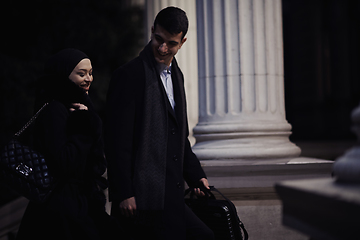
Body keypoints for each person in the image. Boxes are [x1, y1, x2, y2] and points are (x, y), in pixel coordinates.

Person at [105, 7, 214, 240]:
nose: (163, 48)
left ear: (182, 42)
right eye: (159, 39)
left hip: (171, 193)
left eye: (171, 43)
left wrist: (196, 176)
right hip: (142, 199)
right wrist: (123, 192)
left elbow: (178, 134)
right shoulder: (129, 75)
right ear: (152, 31)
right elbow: (117, 141)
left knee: (205, 235)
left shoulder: (177, 75)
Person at [16, 48, 117, 240]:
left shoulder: (76, 106)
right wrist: (83, 125)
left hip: (76, 204)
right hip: (60, 212)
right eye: (81, 74)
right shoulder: (55, 110)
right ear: (64, 76)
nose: (89, 79)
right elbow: (63, 162)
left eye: (90, 72)